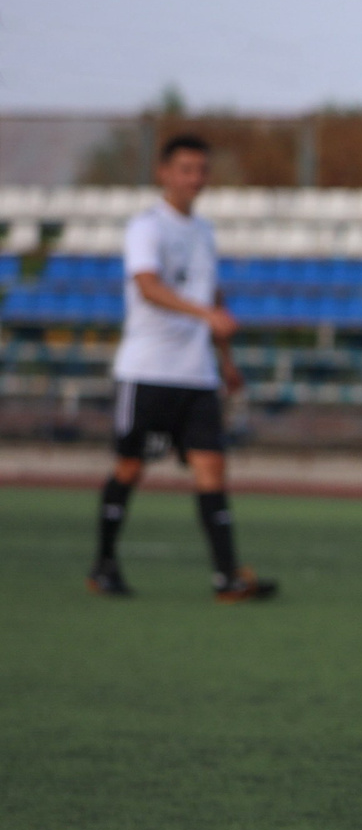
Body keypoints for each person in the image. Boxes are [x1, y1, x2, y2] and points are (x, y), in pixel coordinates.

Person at [88, 133, 278, 601]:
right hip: (148, 371)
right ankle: (104, 565)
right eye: (187, 169)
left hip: (196, 373)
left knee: (212, 468)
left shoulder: (204, 232)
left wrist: (225, 359)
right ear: (164, 173)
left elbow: (212, 295)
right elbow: (147, 286)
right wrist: (203, 315)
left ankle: (227, 576)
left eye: (202, 170)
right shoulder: (147, 227)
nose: (195, 178)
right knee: (131, 467)